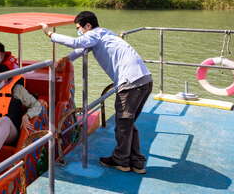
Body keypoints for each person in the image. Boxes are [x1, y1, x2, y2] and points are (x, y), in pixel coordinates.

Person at [41, 11, 153, 174]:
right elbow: (80, 49)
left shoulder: (94, 33)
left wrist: (50, 34)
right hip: (144, 80)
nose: (79, 31)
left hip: (131, 84)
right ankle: (136, 162)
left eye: (79, 28)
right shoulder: (105, 33)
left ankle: (121, 160)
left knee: (123, 125)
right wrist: (65, 60)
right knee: (128, 125)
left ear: (88, 25)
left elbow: (76, 42)